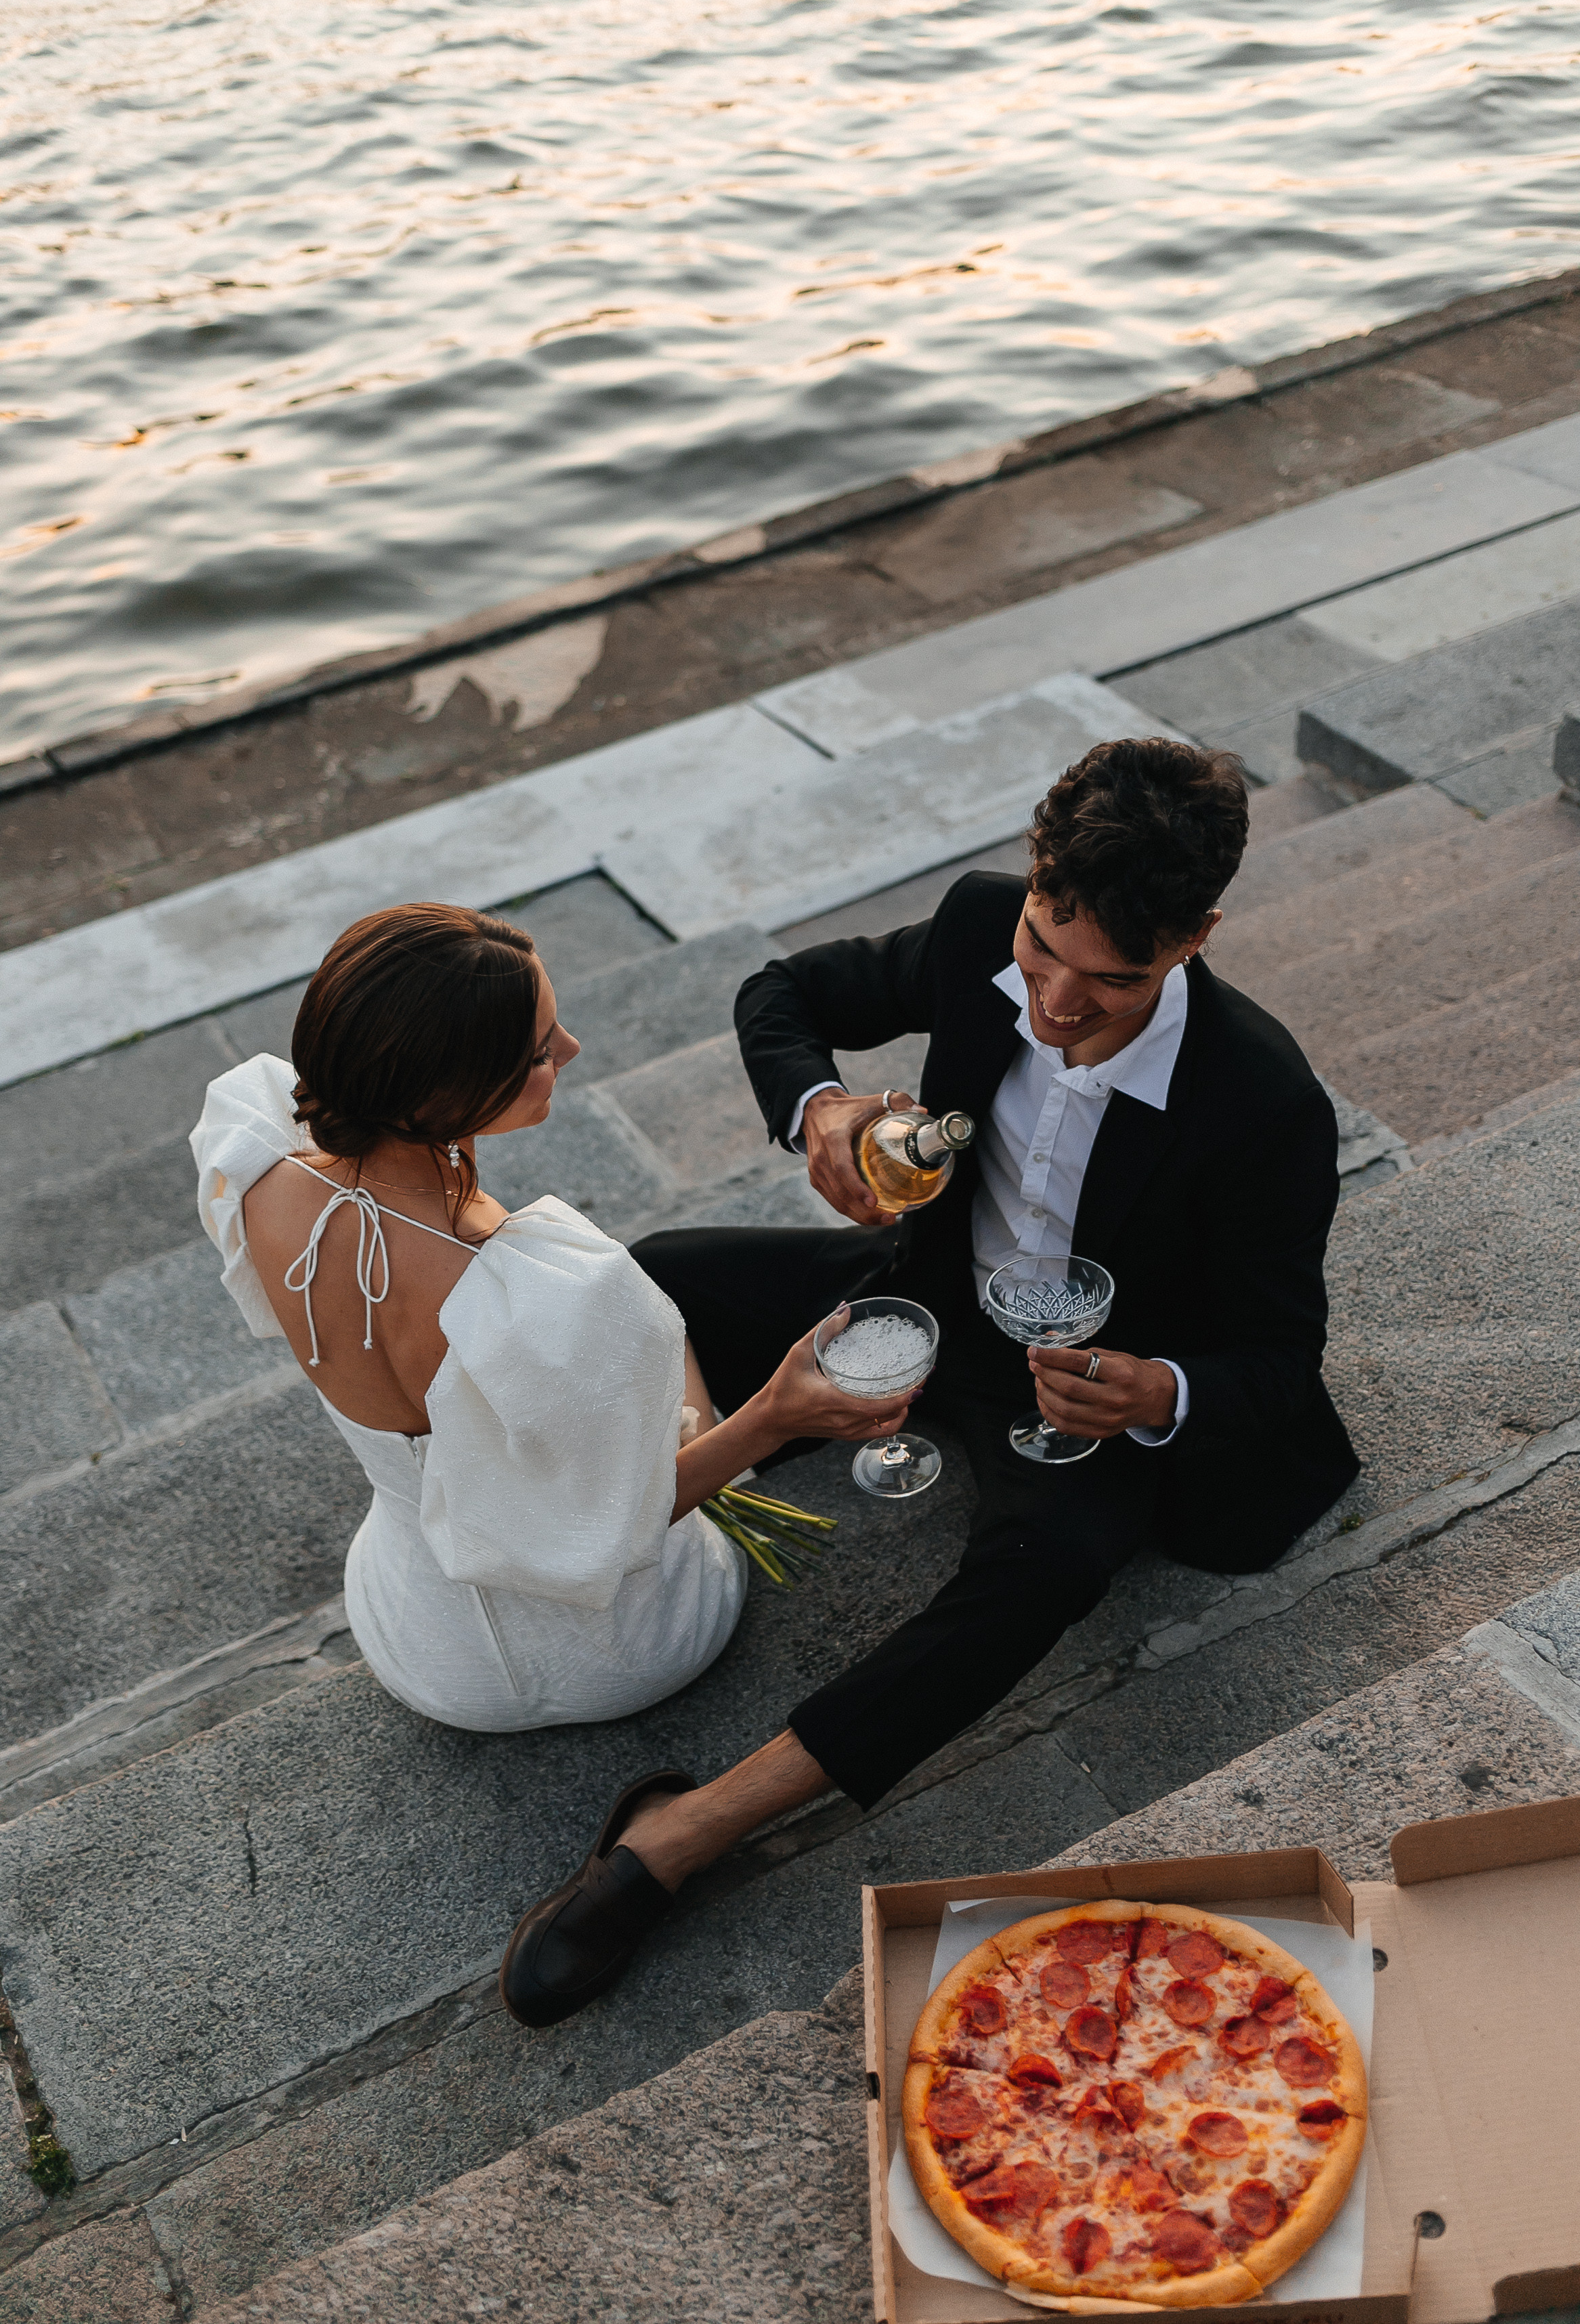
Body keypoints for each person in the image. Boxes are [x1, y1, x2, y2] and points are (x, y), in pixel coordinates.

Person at [499, 737, 1359, 2027]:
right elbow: (778, 993)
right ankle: (700, 1483)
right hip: (929, 1293)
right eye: (1040, 949)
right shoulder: (971, 928)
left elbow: (1282, 1360)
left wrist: (1153, 1390)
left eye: (1109, 982)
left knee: (1046, 1573)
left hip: (1073, 1389)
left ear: (1193, 939)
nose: (1056, 1005)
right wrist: (824, 1114)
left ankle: (677, 1837)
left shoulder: (1263, 1099)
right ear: (1028, 882)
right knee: (646, 1279)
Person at [189, 902, 912, 1756]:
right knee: (662, 1317)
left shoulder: (255, 1155)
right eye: (538, 1049)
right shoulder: (539, 1294)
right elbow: (619, 1527)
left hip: (420, 1646)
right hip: (625, 1652)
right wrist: (776, 1416)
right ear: (441, 1094)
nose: (570, 1049)